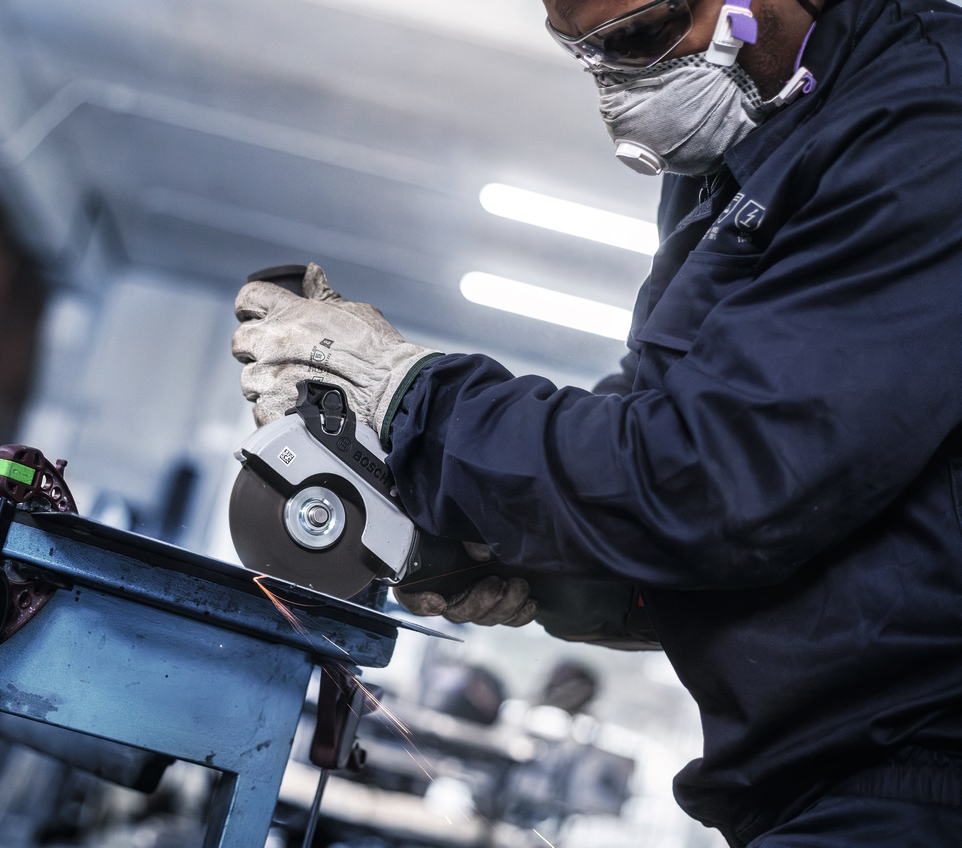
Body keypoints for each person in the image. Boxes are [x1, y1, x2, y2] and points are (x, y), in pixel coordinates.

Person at [231, 0, 962, 843]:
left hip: (924, 771)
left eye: (642, 37)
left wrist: (412, 399)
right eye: (591, 56)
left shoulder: (924, 127)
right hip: (825, 776)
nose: (621, 90)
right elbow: (663, 427)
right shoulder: (735, 149)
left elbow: (717, 481)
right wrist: (525, 553)